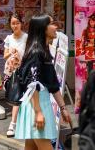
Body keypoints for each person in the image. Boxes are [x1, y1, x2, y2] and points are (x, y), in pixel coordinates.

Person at [15, 14, 72, 149]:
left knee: (31, 147)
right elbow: (32, 84)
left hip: (39, 103)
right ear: (43, 28)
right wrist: (38, 112)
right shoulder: (36, 52)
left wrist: (63, 108)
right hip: (36, 105)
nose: (56, 27)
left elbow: (53, 83)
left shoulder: (44, 50)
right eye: (52, 24)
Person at [4, 13, 28, 138]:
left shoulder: (26, 38)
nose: (15, 25)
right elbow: (4, 55)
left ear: (21, 23)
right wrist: (10, 53)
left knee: (17, 98)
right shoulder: (8, 38)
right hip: (11, 71)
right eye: (13, 23)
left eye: (17, 23)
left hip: (24, 71)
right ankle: (19, 123)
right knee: (15, 97)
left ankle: (12, 124)